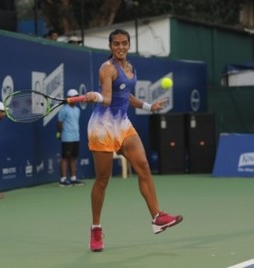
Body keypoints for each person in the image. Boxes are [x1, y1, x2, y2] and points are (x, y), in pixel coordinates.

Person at [85, 29, 183, 252]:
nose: (120, 47)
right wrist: (96, 96)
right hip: (102, 127)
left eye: (124, 43)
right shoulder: (107, 68)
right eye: (116, 44)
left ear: (129, 45)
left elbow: (125, 95)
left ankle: (157, 217)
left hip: (122, 123)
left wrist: (149, 107)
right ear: (110, 46)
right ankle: (96, 228)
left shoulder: (130, 68)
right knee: (102, 179)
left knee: (144, 167)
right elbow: (108, 98)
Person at [56, 89, 84, 187]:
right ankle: (63, 179)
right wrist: (60, 133)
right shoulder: (64, 109)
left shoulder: (77, 110)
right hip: (67, 137)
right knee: (65, 158)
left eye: (77, 96)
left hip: (76, 137)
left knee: (73, 158)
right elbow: (59, 123)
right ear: (69, 98)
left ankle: (73, 178)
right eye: (74, 96)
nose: (76, 98)